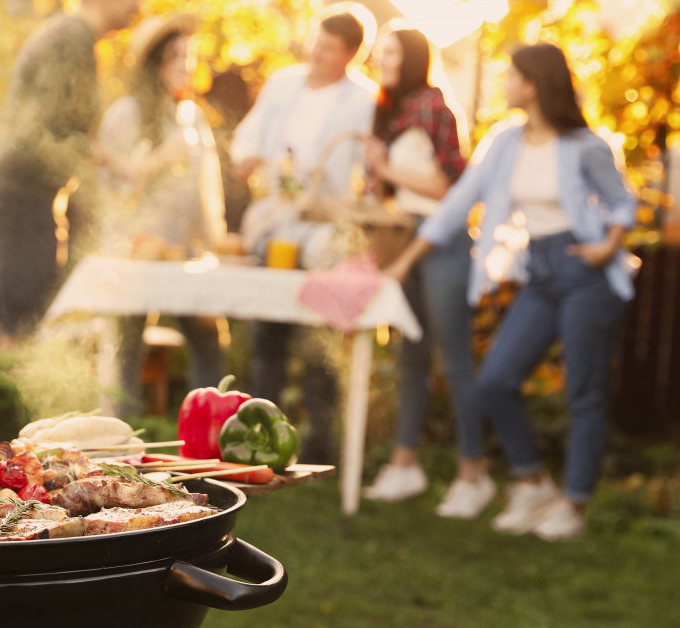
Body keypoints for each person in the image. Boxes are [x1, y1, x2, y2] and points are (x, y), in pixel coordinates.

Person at [385, 42, 638, 541]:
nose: (503, 81)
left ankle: (574, 503)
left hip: (585, 275)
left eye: (511, 74)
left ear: (534, 84)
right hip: (541, 273)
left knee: (583, 394)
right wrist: (405, 262)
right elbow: (458, 203)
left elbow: (621, 204)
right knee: (495, 380)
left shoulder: (585, 145)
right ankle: (533, 483)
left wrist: (607, 247)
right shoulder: (504, 142)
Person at [357, 26, 495, 518]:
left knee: (454, 359)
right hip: (404, 240)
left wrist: (387, 170)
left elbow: (446, 189)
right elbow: (396, 194)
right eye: (380, 51)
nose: (381, 57)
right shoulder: (391, 113)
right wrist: (376, 175)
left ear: (413, 57)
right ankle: (404, 463)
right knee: (411, 357)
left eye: (391, 51)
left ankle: (473, 473)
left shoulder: (432, 107)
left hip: (444, 243)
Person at [228, 4, 376, 462]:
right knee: (267, 330)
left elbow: (368, 168)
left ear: (350, 55)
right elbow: (251, 132)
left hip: (323, 228)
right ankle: (258, 435)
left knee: (319, 336)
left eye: (329, 48)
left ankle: (319, 441)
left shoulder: (363, 100)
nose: (317, 52)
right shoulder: (282, 83)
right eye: (317, 41)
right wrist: (247, 156)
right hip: (274, 220)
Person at [0, 0, 140, 355]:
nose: (139, 5)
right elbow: (47, 129)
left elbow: (55, 125)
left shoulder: (70, 36)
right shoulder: (72, 38)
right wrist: (111, 168)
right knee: (23, 325)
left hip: (12, 191)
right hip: (24, 195)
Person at [95, 13, 228, 416]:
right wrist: (158, 160)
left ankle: (209, 434)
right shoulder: (126, 113)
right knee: (127, 348)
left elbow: (207, 189)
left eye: (189, 57)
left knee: (210, 342)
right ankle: (119, 444)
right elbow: (113, 190)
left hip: (183, 255)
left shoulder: (192, 116)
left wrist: (215, 239)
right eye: (174, 56)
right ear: (153, 62)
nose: (184, 66)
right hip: (136, 253)